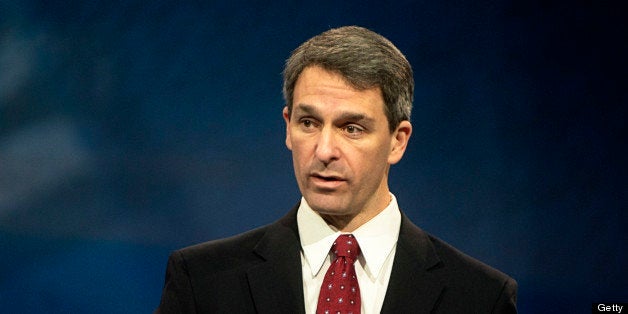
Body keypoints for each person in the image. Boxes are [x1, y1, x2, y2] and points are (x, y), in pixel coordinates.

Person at [155, 25, 517, 314]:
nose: (324, 150)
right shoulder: (203, 282)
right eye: (309, 123)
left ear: (398, 140)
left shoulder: (480, 298)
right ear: (287, 127)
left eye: (352, 128)